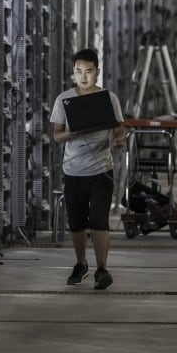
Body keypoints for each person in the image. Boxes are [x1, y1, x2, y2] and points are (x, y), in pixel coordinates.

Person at [50, 48, 125, 289]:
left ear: (97, 72)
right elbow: (57, 135)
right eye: (79, 71)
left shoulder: (108, 98)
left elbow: (119, 129)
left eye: (89, 71)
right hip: (73, 170)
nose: (83, 76)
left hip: (102, 169)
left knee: (99, 220)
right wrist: (71, 134)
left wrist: (119, 139)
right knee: (77, 222)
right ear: (73, 73)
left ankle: (102, 269)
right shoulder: (64, 99)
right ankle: (81, 264)